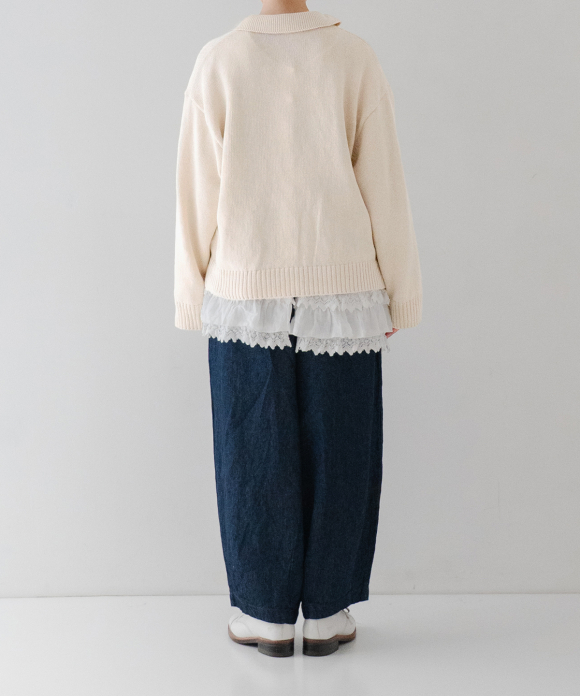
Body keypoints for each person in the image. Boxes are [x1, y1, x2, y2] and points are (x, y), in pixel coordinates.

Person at [174, 0, 422, 658]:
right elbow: (385, 185)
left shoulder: (219, 60)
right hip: (343, 289)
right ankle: (329, 611)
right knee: (343, 449)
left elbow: (196, 189)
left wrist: (190, 293)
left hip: (243, 289)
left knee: (250, 451)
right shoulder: (354, 57)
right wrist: (398, 293)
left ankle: (265, 615)